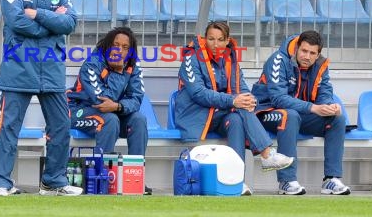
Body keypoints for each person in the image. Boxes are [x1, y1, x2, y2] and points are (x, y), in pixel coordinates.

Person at [0, 0, 82, 196]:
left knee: (61, 125)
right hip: (19, 64)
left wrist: (38, 14)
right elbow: (16, 20)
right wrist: (52, 23)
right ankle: (0, 182)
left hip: (51, 67)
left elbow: (70, 23)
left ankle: (53, 181)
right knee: (8, 127)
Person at [174, 21, 294, 195]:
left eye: (220, 40)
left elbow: (241, 88)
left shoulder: (230, 58)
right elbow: (199, 93)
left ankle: (237, 181)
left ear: (227, 40)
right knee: (238, 108)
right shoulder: (191, 58)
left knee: (237, 119)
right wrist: (234, 101)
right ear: (204, 39)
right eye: (211, 39)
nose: (216, 44)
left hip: (223, 114)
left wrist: (249, 99)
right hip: (196, 115)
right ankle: (267, 154)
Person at [252, 31, 351, 195]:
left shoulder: (320, 65)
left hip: (298, 114)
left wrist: (329, 106)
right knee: (289, 115)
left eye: (312, 53)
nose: (307, 56)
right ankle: (287, 181)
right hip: (266, 111)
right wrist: (313, 108)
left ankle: (331, 179)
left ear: (318, 54)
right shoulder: (278, 60)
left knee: (337, 120)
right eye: (304, 51)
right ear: (297, 47)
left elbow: (325, 92)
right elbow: (278, 99)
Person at [66, 27, 151, 195]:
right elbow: (101, 101)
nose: (119, 50)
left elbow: (136, 98)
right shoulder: (92, 64)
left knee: (138, 120)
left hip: (113, 112)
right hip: (79, 111)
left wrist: (119, 106)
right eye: (115, 45)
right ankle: (103, 177)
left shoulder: (133, 65)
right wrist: (118, 72)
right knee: (109, 120)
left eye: (125, 47)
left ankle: (135, 177)